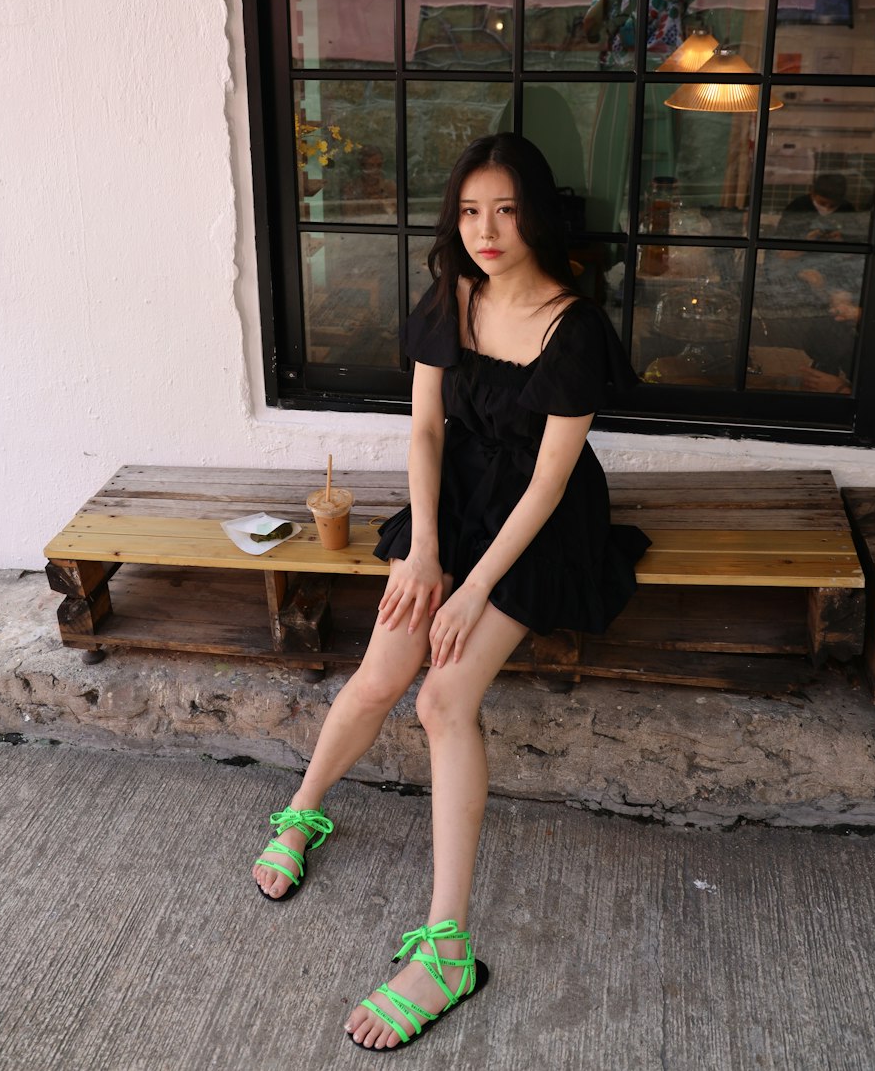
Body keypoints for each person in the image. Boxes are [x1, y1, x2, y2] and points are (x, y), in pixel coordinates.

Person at [251, 133, 651, 1051]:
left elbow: (551, 482)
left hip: (535, 527)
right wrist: (427, 552)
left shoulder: (573, 325)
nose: (487, 230)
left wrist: (474, 590)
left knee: (442, 698)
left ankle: (446, 952)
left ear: (537, 213)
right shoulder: (452, 294)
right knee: (383, 667)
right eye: (471, 211)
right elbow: (427, 430)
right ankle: (305, 810)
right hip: (455, 505)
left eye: (506, 209)